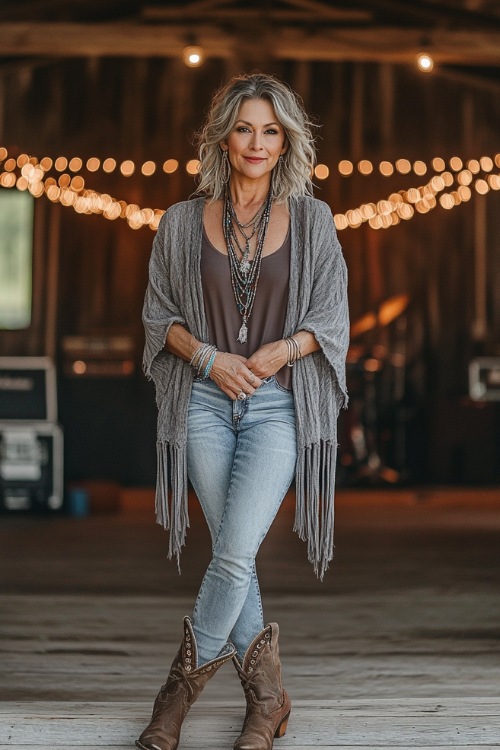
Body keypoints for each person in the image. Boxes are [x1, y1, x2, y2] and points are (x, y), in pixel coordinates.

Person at [136, 72, 349, 750]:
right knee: (236, 550)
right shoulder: (177, 222)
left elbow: (332, 320)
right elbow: (157, 317)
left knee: (231, 552)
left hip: (278, 409)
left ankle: (172, 703)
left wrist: (282, 351)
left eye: (271, 130)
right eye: (245, 128)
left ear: (286, 141)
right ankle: (268, 702)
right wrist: (208, 359)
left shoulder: (314, 221)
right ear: (224, 138)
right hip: (202, 403)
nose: (257, 142)